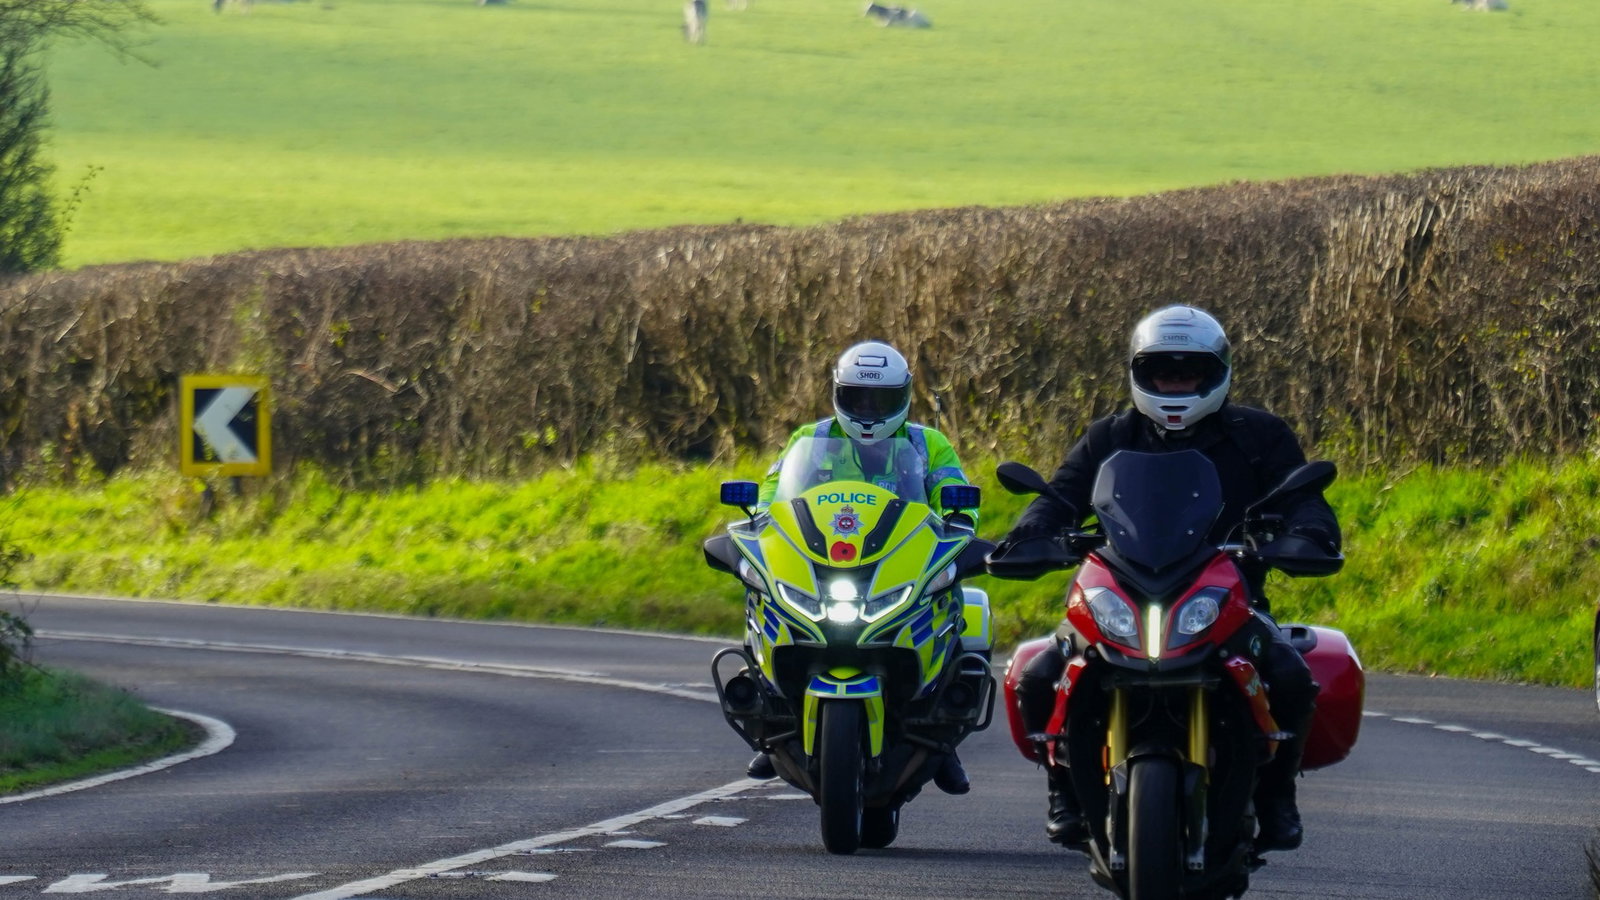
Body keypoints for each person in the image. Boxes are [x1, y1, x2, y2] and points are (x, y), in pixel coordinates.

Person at [996, 304, 1339, 852]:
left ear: (1218, 373)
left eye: (1190, 372)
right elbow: (1060, 497)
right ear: (1138, 371)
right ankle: (1065, 790)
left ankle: (1277, 795)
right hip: (1118, 594)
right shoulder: (1109, 435)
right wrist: (1031, 534)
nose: (1175, 383)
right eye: (1161, 371)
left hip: (1228, 596)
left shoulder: (1260, 435)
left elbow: (1303, 496)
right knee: (1038, 677)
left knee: (1292, 677)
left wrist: (1310, 533)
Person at [744, 339, 979, 795]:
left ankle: (945, 736)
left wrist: (961, 523)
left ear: (903, 396)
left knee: (961, 607)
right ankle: (772, 717)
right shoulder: (810, 441)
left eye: (881, 400)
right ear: (838, 394)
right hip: (822, 561)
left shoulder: (927, 444)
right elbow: (773, 495)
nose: (869, 410)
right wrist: (758, 521)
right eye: (858, 398)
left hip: (899, 562)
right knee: (761, 590)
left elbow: (956, 497)